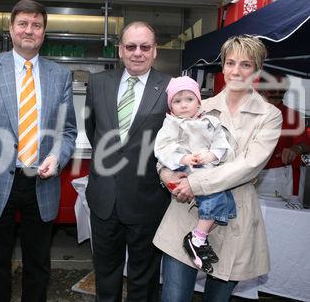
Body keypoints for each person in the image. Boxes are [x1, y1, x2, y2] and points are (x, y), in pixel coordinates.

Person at [154, 34, 282, 302]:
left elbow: (249, 165)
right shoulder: (199, 106)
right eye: (231, 63)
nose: (236, 71)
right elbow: (168, 148)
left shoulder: (269, 115)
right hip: (187, 213)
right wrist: (167, 175)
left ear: (257, 70)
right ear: (222, 66)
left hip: (236, 218)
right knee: (174, 297)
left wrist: (196, 183)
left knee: (218, 299)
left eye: (246, 65)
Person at [0, 0, 77, 302]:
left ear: (44, 32)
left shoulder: (60, 75)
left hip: (41, 181)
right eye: (23, 24)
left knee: (38, 264)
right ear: (11, 28)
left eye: (37, 25)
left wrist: (58, 157)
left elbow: (67, 130)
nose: (30, 30)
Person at [85, 21, 171, 302]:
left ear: (154, 51)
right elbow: (92, 128)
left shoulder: (170, 88)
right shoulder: (98, 83)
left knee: (143, 280)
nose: (138, 52)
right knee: (106, 274)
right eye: (131, 46)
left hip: (147, 199)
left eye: (145, 47)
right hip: (104, 198)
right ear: (120, 50)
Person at [154, 76, 233, 274]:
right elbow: (162, 148)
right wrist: (182, 159)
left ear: (199, 101)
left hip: (208, 170)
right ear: (171, 106)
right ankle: (197, 238)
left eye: (189, 99)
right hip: (186, 172)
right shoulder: (171, 124)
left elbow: (221, 143)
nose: (183, 105)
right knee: (214, 199)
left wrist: (212, 154)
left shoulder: (211, 121)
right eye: (177, 101)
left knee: (227, 205)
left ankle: (199, 237)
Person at [256, 74, 310, 198]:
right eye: (273, 89)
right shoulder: (248, 112)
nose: (278, 94)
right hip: (245, 173)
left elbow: (306, 144)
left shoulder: (293, 115)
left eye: (282, 90)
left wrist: (297, 149)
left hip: (275, 174)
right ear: (261, 89)